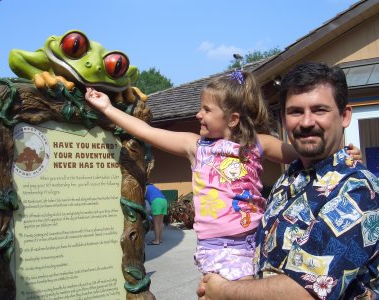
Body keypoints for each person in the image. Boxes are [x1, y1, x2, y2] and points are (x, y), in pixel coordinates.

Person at [85, 69, 361, 282]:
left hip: (257, 242)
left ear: (232, 119)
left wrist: (347, 154)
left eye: (206, 109)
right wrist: (108, 108)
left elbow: (309, 152)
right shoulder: (195, 146)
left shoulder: (256, 143)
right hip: (218, 248)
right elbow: (147, 132)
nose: (198, 114)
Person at [197, 62, 379, 299]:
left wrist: (223, 290)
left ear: (344, 116)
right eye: (295, 112)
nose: (306, 122)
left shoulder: (358, 190)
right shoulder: (288, 180)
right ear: (283, 119)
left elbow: (305, 292)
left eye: (319, 110)